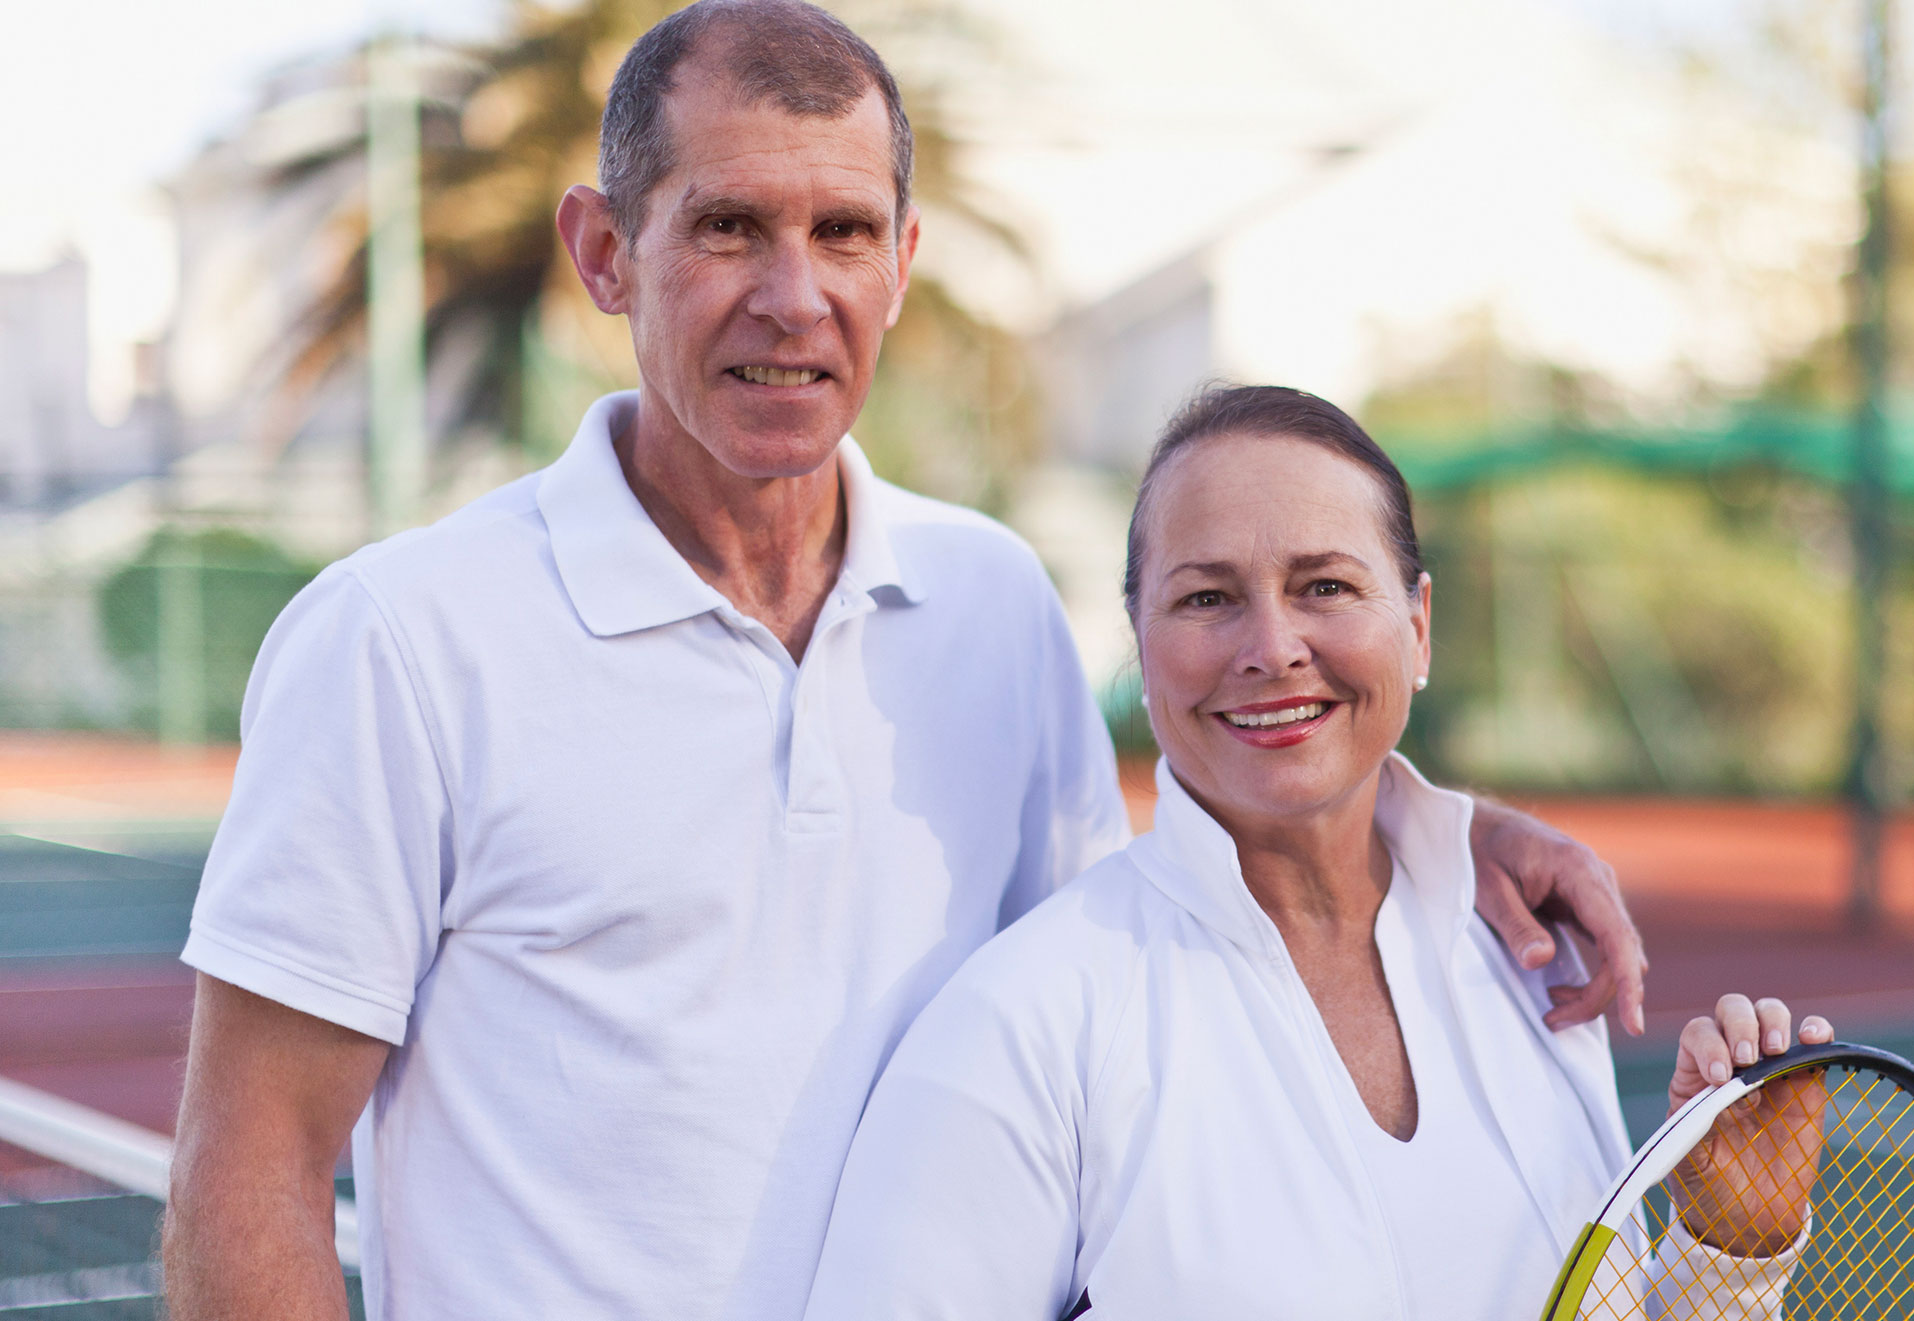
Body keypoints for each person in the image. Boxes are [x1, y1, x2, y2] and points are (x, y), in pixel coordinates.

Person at [160, 5, 1646, 1319]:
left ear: (903, 260)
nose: (794, 296)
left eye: (844, 232)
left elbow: (1142, 951)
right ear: (607, 255)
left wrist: (1430, 826)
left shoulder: (989, 600)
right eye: (730, 227)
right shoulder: (398, 642)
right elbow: (253, 1169)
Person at [801, 387, 1831, 1320]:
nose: (1271, 645)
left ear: (1417, 628)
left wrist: (1727, 1265)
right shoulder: (1018, 1031)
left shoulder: (1530, 967)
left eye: (1326, 586)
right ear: (1140, 639)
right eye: (1206, 597)